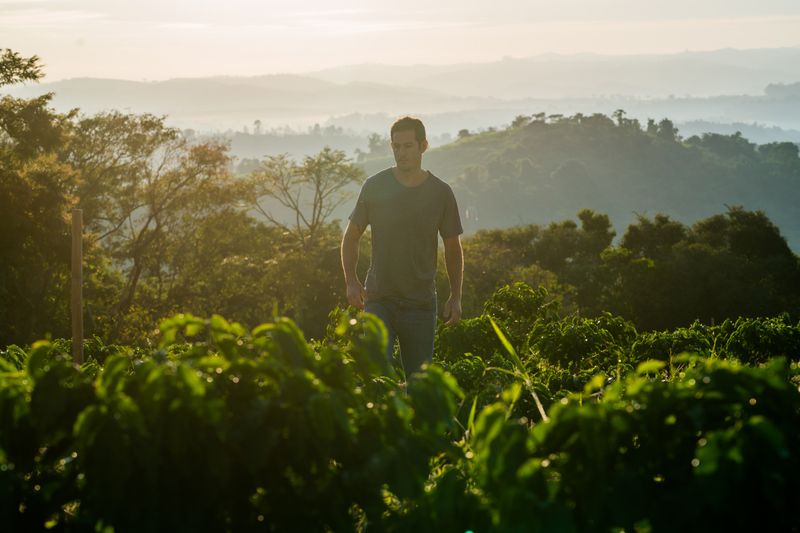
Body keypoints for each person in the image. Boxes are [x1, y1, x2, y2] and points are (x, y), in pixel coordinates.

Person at [340, 116, 464, 376]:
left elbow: (453, 248)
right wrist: (351, 281)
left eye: (408, 146)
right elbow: (351, 237)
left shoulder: (441, 193)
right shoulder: (375, 186)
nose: (401, 152)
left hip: (420, 304)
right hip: (379, 299)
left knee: (419, 387)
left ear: (423, 146)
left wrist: (456, 296)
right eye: (396, 146)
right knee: (377, 378)